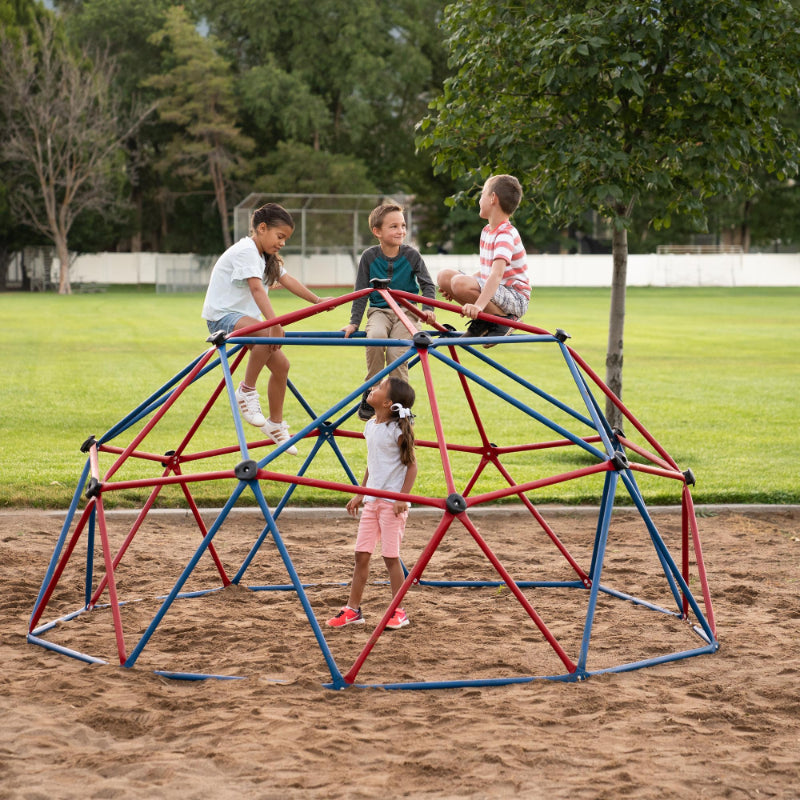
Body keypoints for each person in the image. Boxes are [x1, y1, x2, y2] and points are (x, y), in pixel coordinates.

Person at [202, 203, 323, 455]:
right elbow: (257, 290)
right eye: (280, 237)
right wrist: (274, 324)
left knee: (282, 366)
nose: (282, 243)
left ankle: (275, 424)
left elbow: (287, 279)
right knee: (267, 336)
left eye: (285, 239)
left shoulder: (264, 256)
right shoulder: (246, 250)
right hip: (222, 316)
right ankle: (246, 391)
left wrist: (318, 301)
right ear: (262, 228)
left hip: (245, 319)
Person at [327, 377, 418, 630]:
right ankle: (353, 610)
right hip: (372, 501)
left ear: (388, 403)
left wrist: (402, 497)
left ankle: (399, 610)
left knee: (391, 558)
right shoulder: (370, 426)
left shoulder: (397, 431)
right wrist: (360, 493)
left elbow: (412, 466)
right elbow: (373, 463)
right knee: (361, 555)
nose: (372, 389)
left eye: (378, 389)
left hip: (392, 504)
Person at [341, 202, 436, 420]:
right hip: (379, 311)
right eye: (393, 226)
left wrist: (427, 309)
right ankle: (371, 393)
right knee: (375, 338)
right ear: (377, 231)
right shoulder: (369, 256)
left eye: (403, 225)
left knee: (397, 352)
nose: (401, 230)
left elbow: (428, 285)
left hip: (407, 313)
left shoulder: (412, 255)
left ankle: (401, 406)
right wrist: (354, 323)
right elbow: (361, 291)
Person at [436, 174, 530, 347]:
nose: (479, 201)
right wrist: (458, 290)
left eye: (481, 195)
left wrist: (478, 306)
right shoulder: (487, 231)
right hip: (498, 292)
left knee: (459, 283)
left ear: (493, 198)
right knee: (444, 277)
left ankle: (503, 322)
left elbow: (497, 273)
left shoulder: (505, 234)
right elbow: (486, 272)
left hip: (515, 297)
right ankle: (487, 322)